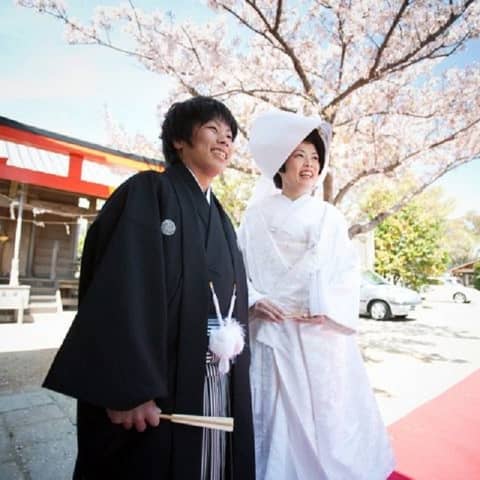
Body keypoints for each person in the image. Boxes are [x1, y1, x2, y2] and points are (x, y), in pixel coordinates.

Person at [43, 96, 255, 480]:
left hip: (215, 378)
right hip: (157, 387)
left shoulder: (222, 219)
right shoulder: (149, 191)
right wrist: (128, 387)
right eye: (212, 129)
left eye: (230, 135)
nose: (224, 140)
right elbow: (122, 287)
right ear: (179, 140)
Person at [237, 110, 395, 480]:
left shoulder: (330, 217)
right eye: (299, 155)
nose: (309, 164)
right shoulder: (254, 215)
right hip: (269, 331)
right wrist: (255, 299)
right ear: (281, 163)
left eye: (314, 157)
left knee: (323, 418)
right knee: (270, 415)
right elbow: (238, 268)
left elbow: (346, 272)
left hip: (316, 332)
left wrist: (325, 305)